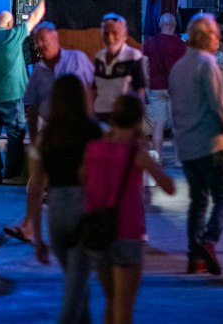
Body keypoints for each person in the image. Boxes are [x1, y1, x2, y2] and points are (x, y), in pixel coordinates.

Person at [82, 95, 174, 324]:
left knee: (111, 301)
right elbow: (169, 187)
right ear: (137, 122)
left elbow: (82, 177)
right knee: (124, 307)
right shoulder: (137, 155)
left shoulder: (93, 149)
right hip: (128, 232)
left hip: (98, 233)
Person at [6, 24, 96, 243]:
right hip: (52, 130)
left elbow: (90, 90)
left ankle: (90, 226)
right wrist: (36, 138)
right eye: (37, 40)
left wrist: (89, 126)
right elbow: (33, 105)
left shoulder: (76, 59)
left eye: (44, 39)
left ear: (55, 39)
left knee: (83, 179)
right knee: (37, 179)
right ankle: (28, 226)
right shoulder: (39, 71)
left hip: (77, 128)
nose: (40, 45)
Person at [28, 75, 102, 324]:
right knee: (75, 290)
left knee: (77, 283)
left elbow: (35, 186)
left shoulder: (47, 135)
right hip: (84, 207)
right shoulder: (93, 132)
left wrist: (37, 235)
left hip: (56, 209)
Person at [167, 14, 223, 276]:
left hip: (186, 144)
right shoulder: (207, 65)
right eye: (216, 34)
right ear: (206, 37)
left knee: (198, 200)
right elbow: (219, 107)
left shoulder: (179, 67)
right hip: (209, 142)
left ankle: (194, 256)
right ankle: (209, 241)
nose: (219, 39)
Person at [0, 0, 46, 183]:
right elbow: (34, 18)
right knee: (15, 133)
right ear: (9, 23)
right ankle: (11, 173)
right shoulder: (13, 36)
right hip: (12, 94)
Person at [141, 13, 186, 166]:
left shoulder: (150, 43)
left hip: (156, 88)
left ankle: (158, 158)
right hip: (176, 89)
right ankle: (178, 160)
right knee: (176, 125)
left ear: (160, 24)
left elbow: (143, 66)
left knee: (158, 125)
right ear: (173, 25)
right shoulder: (181, 45)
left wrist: (147, 82)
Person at [92, 15, 147, 119]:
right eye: (106, 33)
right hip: (100, 114)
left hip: (124, 117)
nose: (110, 38)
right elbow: (94, 89)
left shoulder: (133, 56)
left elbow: (139, 90)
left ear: (125, 35)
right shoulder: (99, 56)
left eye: (115, 33)